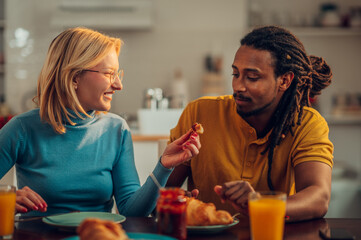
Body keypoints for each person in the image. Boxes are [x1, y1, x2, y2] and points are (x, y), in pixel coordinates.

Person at [0, 27, 201, 217]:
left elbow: (131, 210)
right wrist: (5, 199)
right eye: (108, 74)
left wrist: (163, 166)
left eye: (117, 74)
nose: (118, 85)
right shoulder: (22, 128)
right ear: (74, 77)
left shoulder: (117, 129)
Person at [166, 25, 333, 222]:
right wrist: (177, 200)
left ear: (285, 81)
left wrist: (258, 203)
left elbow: (318, 197)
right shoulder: (199, 112)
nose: (238, 86)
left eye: (252, 77)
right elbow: (167, 189)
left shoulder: (307, 124)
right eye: (235, 74)